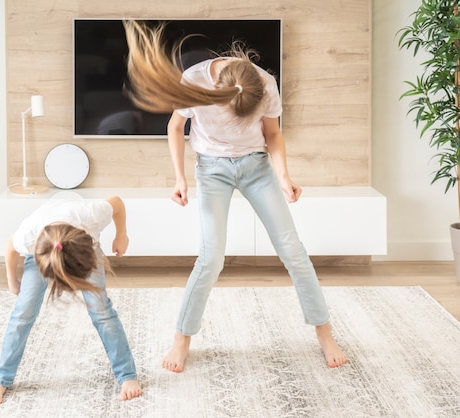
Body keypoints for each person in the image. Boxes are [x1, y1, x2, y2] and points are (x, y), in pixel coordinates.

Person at [122, 20, 349, 372]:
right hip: (211, 170)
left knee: (293, 249)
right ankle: (181, 339)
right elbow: (174, 127)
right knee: (211, 258)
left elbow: (272, 134)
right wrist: (180, 178)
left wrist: (284, 176)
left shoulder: (265, 84)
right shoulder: (194, 81)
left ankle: (324, 333)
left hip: (256, 167)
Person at [0, 196, 142, 404]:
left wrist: (122, 234)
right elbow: (11, 246)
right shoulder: (29, 236)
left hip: (79, 248)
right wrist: (12, 280)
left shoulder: (92, 213)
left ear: (87, 233)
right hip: (43, 250)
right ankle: (1, 376)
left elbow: (118, 203)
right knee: (22, 313)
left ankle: (127, 374)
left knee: (101, 311)